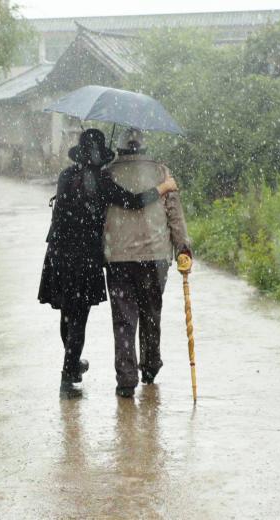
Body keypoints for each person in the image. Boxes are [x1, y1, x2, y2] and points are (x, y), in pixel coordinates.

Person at [38, 129, 179, 397]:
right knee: (79, 316)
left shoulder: (66, 176)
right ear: (100, 156)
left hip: (58, 254)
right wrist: (163, 187)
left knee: (68, 314)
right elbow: (135, 201)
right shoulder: (102, 181)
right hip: (84, 258)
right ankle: (69, 374)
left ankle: (72, 364)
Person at [103, 128, 192, 398]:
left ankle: (126, 379)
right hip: (154, 258)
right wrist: (183, 248)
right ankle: (150, 367)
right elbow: (174, 215)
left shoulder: (107, 174)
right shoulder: (162, 173)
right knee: (151, 314)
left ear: (119, 148)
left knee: (123, 320)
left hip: (118, 258)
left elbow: (98, 219)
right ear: (144, 148)